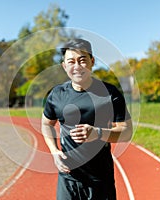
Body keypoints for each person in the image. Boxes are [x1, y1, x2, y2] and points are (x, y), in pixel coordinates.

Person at [41, 38, 133, 200]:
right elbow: (46, 124)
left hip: (100, 179)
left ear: (92, 61)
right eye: (71, 62)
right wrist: (54, 152)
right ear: (64, 66)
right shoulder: (57, 94)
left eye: (82, 60)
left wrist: (97, 133)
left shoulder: (110, 93)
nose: (76, 67)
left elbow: (127, 132)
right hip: (69, 178)